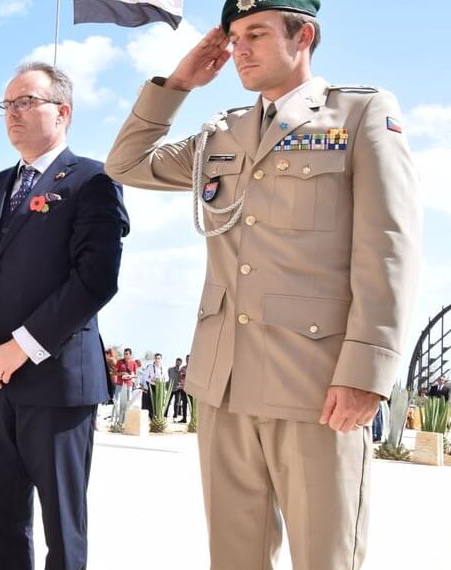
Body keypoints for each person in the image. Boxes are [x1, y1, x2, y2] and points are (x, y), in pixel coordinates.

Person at [104, 2, 421, 568]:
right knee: (234, 557)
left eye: (256, 33)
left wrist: (365, 373)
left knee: (325, 556)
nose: (240, 48)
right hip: (222, 381)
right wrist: (177, 85)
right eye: (233, 36)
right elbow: (125, 164)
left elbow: (388, 249)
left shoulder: (357, 116)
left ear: (304, 37)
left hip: (316, 385)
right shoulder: (221, 133)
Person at [0, 62, 128, 570]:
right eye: (8, 105)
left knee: (62, 531)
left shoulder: (93, 180)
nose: (13, 114)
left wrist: (19, 347)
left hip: (56, 382)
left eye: (26, 102)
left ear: (63, 111)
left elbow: (95, 279)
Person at [168, 357, 188, 422]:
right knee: (169, 403)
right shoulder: (172, 369)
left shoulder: (183, 370)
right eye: (177, 362)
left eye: (179, 362)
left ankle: (176, 416)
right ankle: (165, 415)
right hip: (175, 389)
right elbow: (171, 377)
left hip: (183, 389)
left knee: (177, 403)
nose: (178, 363)